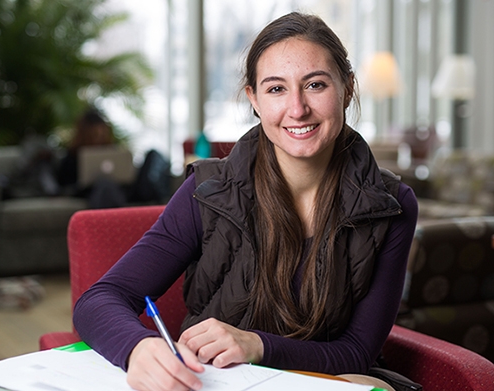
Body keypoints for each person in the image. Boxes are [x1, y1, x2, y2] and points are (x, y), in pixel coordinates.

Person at [73, 12, 418, 391]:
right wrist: (137, 348)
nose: (297, 108)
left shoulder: (392, 204)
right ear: (253, 98)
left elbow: (355, 353)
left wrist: (256, 344)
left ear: (347, 88)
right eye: (276, 89)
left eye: (316, 85)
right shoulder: (208, 191)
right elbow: (99, 300)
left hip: (324, 381)